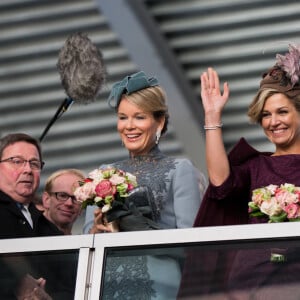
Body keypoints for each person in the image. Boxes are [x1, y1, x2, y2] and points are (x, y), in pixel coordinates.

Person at [178, 44, 300, 299]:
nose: (273, 121)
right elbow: (220, 184)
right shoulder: (256, 166)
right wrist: (212, 117)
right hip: (249, 285)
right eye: (265, 114)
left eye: (282, 112)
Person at [83, 71, 207, 299]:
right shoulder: (102, 173)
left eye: (139, 117)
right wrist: (96, 229)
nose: (129, 126)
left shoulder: (180, 169)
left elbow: (192, 245)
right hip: (108, 283)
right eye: (122, 117)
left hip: (161, 286)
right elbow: (85, 240)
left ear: (159, 122)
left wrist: (140, 231)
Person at [42, 169, 85, 235]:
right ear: (46, 199)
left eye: (76, 198)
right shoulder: (28, 236)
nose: (69, 203)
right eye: (62, 196)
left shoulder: (82, 242)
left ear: (82, 207)